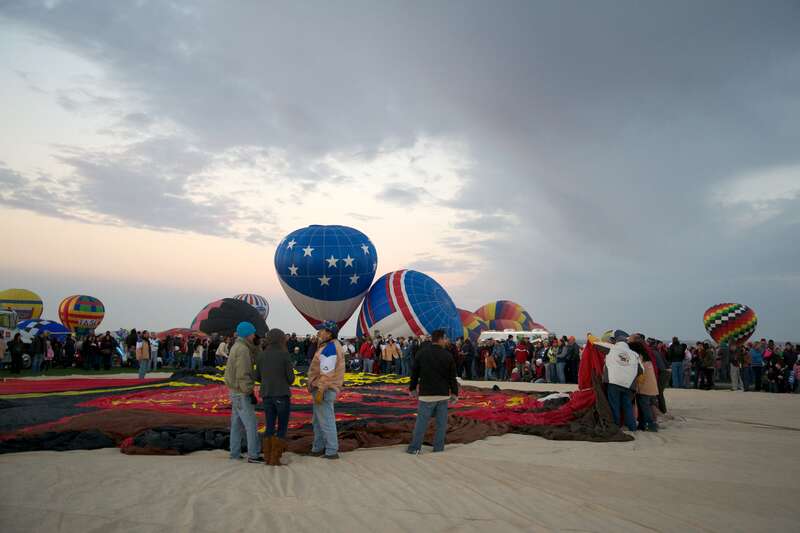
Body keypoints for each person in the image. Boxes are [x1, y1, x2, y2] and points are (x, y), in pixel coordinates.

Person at [407, 329, 459, 454]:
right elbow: (452, 377)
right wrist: (454, 393)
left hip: (426, 395)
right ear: (440, 339)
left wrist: (412, 388)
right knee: (441, 425)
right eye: (445, 338)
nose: (446, 341)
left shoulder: (422, 353)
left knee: (421, 423)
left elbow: (414, 373)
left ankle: (415, 448)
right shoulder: (447, 355)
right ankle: (438, 448)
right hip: (442, 395)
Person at [254, 328, 295, 466]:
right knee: (282, 426)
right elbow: (291, 379)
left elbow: (257, 377)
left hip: (266, 394)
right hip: (281, 394)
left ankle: (267, 457)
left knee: (269, 425)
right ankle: (275, 458)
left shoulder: (261, 355)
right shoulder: (284, 355)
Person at [224, 322, 262, 463]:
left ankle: (234, 453)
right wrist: (249, 391)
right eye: (253, 333)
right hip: (241, 392)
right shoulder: (243, 350)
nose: (254, 335)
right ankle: (253, 454)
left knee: (236, 424)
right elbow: (243, 373)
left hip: (234, 390)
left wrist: (257, 346)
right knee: (251, 424)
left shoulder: (237, 346)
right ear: (248, 334)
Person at [307, 321, 346, 459]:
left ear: (329, 333)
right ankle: (318, 447)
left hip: (324, 389)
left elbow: (327, 373)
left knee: (326, 420)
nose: (319, 332)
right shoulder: (329, 346)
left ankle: (331, 450)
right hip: (322, 388)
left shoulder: (330, 348)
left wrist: (320, 391)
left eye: (322, 330)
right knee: (318, 420)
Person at [602, 331, 642, 432]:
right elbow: (641, 370)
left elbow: (595, 344)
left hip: (614, 382)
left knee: (614, 405)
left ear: (616, 341)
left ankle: (616, 426)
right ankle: (632, 427)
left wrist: (589, 335)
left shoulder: (611, 348)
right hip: (628, 384)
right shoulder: (634, 354)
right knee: (627, 405)